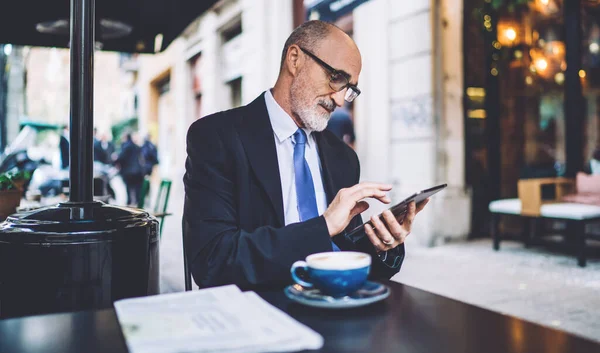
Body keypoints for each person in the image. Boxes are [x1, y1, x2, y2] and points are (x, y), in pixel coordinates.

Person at [183, 20, 429, 291]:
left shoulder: (343, 158)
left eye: (349, 88)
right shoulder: (216, 137)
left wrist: (383, 245)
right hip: (260, 314)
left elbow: (345, 250)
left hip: (337, 311)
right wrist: (321, 228)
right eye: (336, 77)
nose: (339, 99)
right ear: (295, 59)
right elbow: (212, 262)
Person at [115, 132, 145, 206]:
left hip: (129, 171)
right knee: (137, 188)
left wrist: (115, 161)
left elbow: (121, 158)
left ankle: (130, 203)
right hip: (138, 171)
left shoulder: (126, 146)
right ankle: (137, 203)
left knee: (129, 187)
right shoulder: (136, 146)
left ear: (125, 138)